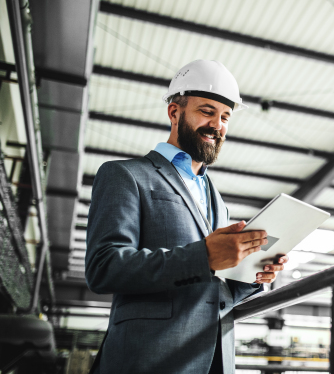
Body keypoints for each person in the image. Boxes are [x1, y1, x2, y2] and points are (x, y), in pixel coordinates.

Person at [85, 60, 288, 374]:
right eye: (207, 111)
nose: (217, 125)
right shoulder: (125, 175)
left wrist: (251, 276)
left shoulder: (216, 199)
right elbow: (104, 267)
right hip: (148, 360)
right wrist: (204, 257)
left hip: (211, 361)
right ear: (174, 112)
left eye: (225, 117)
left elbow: (212, 289)